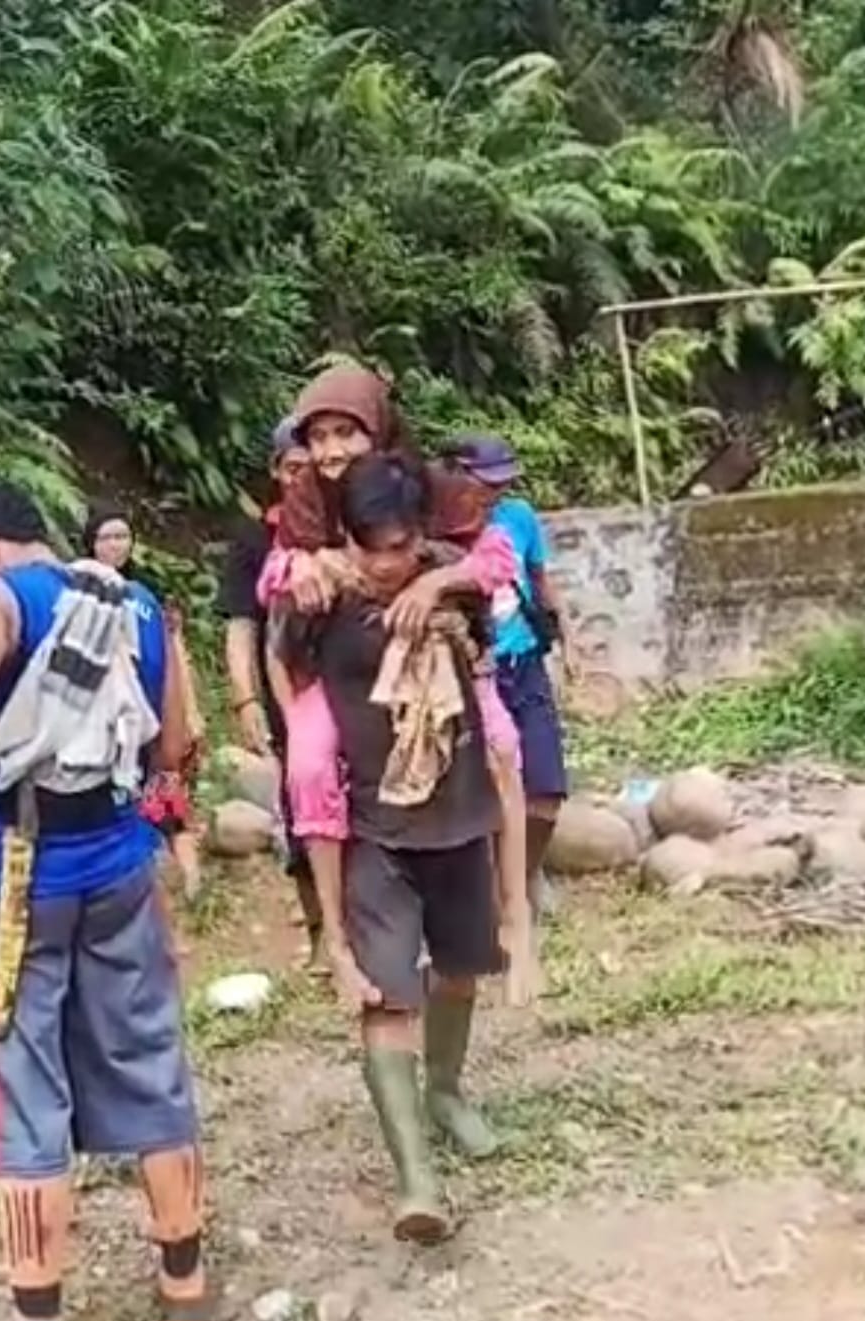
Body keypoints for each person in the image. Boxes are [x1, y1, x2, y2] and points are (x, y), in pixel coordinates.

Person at [0, 474, 211, 1321]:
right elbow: (177, 743)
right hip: (118, 859)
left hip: (12, 869)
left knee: (20, 1082)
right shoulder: (138, 604)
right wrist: (157, 834)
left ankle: (39, 1305)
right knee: (147, 1053)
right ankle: (183, 1280)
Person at [273, 453, 504, 1243]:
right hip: (377, 826)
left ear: (423, 537)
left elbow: (489, 578)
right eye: (371, 545)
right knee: (384, 995)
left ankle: (446, 1090)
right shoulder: (320, 591)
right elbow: (282, 645)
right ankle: (417, 1179)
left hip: (462, 811)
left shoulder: (452, 578)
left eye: (401, 545)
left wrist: (434, 585)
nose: (385, 562)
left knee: (463, 973)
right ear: (348, 536)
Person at [258, 363, 534, 1007]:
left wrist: (434, 581)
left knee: (500, 745)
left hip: (440, 653)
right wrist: (303, 567)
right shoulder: (305, 501)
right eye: (317, 436)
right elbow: (274, 572)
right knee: (308, 767)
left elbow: (494, 558)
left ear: (377, 427)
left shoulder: (430, 488)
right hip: (342, 667)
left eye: (344, 433)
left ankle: (516, 907)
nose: (330, 451)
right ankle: (335, 935)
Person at [448, 436, 577, 916]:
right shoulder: (441, 526)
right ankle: (492, 892)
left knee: (546, 792)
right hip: (473, 674)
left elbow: (540, 579)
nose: (494, 492)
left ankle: (523, 875)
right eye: (486, 482)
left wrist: (567, 632)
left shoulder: (518, 517)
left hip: (524, 666)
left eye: (502, 482)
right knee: (486, 793)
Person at [215, 419, 325, 966]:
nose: (303, 478)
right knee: (304, 819)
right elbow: (241, 626)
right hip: (291, 705)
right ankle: (321, 937)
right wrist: (246, 699)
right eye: (293, 468)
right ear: (277, 472)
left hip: (356, 694)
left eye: (313, 466)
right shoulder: (256, 539)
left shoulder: (349, 523)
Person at [84, 501, 206, 903]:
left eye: (123, 536)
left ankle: (188, 887)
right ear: (90, 544)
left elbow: (172, 657)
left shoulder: (146, 597)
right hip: (109, 725)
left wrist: (188, 713)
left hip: (156, 718)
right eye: (106, 537)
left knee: (165, 797)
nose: (116, 545)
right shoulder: (79, 594)